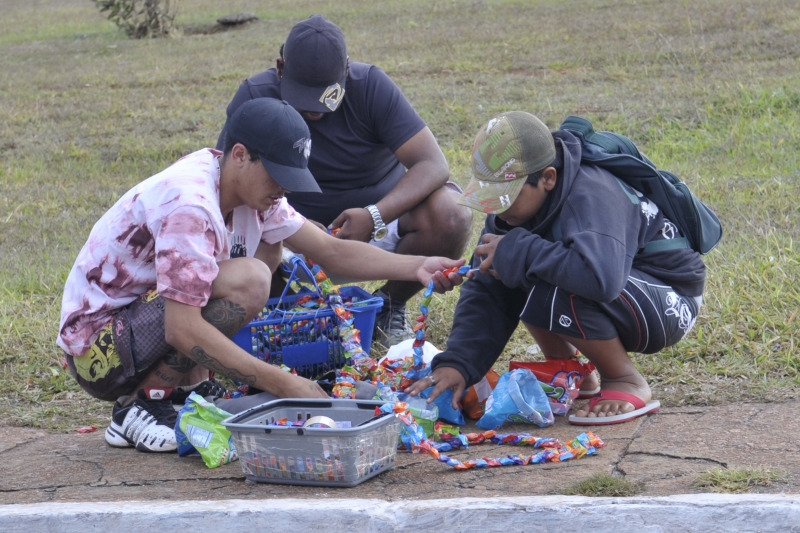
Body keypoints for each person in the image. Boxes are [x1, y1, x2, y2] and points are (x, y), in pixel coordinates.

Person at [58, 97, 465, 453]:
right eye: (278, 175)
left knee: (261, 256)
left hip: (137, 327)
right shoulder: (191, 205)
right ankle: (138, 406)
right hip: (100, 352)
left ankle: (187, 390)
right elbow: (181, 328)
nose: (283, 190)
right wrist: (284, 384)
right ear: (239, 155)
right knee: (250, 278)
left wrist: (416, 265)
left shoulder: (250, 191)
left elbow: (331, 252)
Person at [407, 111, 706, 425]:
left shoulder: (592, 193)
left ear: (548, 177)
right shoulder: (511, 212)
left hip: (667, 299)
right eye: (490, 197)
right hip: (625, 290)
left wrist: (518, 251)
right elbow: (486, 288)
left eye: (505, 197)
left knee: (533, 266)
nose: (497, 208)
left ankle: (624, 378)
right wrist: (458, 364)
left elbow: (601, 279)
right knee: (513, 266)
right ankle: (572, 372)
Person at [216, 14, 473, 348]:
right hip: (289, 236)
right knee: (247, 231)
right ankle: (286, 317)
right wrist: (292, 224)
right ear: (280, 69)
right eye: (304, 95)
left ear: (346, 71)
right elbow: (225, 182)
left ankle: (389, 308)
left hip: (378, 225)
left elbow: (434, 164)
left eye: (326, 95)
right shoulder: (256, 98)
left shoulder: (370, 87)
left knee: (451, 212)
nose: (315, 110)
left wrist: (375, 214)